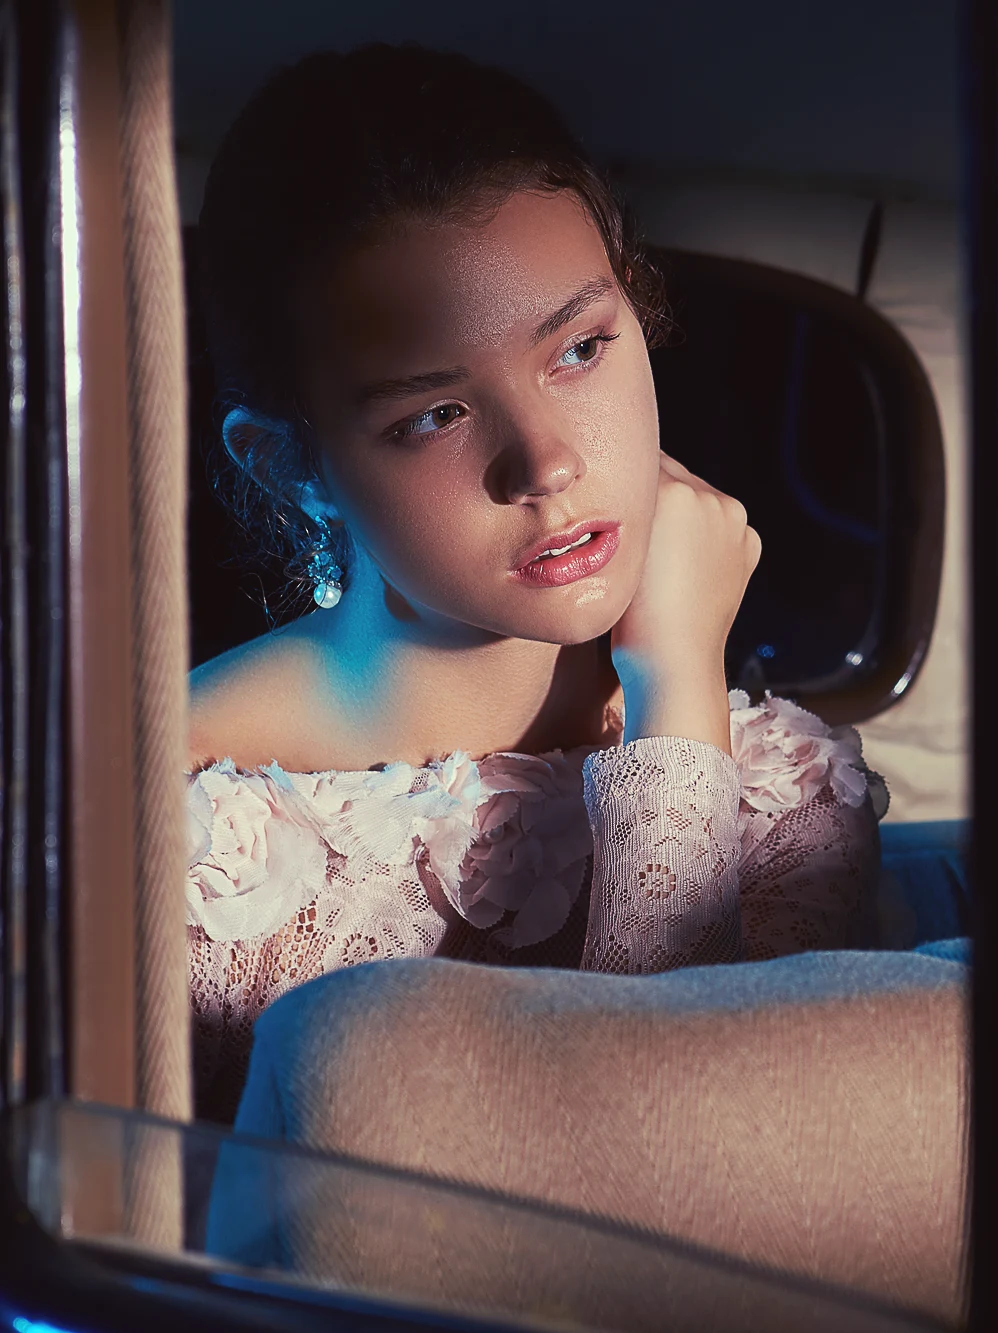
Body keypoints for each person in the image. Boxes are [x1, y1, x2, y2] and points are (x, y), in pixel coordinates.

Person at [183, 45, 886, 1122]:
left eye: (580, 349)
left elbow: (695, 1165)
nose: (546, 464)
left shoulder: (786, 787)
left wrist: (677, 692)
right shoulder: (158, 809)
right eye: (434, 414)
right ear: (292, 464)